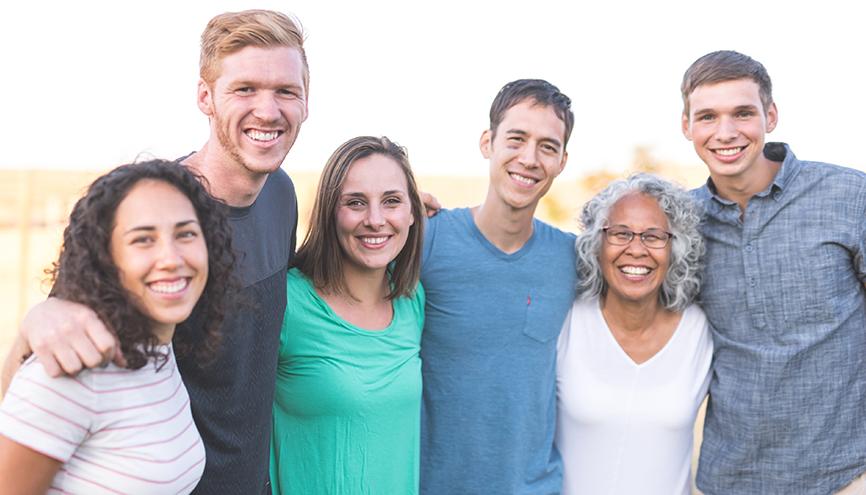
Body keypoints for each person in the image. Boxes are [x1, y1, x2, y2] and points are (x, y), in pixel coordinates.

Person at [3, 10, 307, 493]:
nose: (268, 110)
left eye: (286, 91)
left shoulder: (281, 196)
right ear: (205, 97)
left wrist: (407, 218)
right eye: (245, 89)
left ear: (306, 102)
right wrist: (36, 321)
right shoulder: (146, 214)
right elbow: (45, 371)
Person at [681, 50, 866, 494]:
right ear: (686, 125)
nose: (725, 132)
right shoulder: (681, 221)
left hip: (846, 476)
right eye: (707, 116)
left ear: (771, 115)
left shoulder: (849, 195)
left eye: (742, 113)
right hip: (730, 480)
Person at [0, 160, 235, 494]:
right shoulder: (72, 369)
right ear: (106, 259)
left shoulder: (159, 347)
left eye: (186, 234)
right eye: (143, 240)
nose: (171, 258)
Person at [420, 79, 577, 494]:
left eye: (547, 146)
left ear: (562, 160)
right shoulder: (427, 240)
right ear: (487, 142)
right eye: (516, 139)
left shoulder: (573, 259)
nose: (529, 158)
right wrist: (396, 205)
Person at [270, 136, 425, 494]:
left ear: (412, 211)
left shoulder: (412, 299)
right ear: (329, 211)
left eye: (391, 201)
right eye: (355, 203)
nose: (375, 220)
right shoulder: (288, 301)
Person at [555, 173, 711, 494]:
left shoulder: (699, 331)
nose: (636, 249)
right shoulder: (565, 321)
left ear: (675, 249)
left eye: (653, 236)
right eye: (621, 233)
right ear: (597, 244)